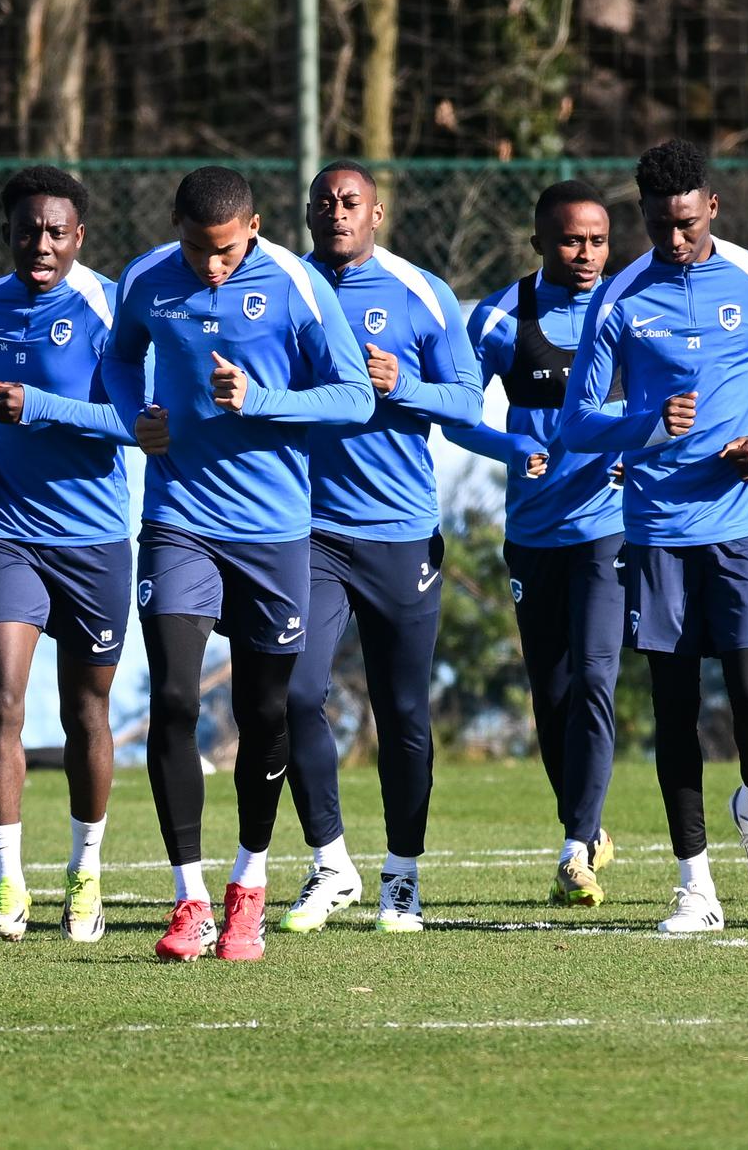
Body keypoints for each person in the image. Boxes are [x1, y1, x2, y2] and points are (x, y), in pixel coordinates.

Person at [102, 166, 372, 962]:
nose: (210, 266)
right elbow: (120, 362)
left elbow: (353, 396)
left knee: (265, 715)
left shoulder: (294, 283)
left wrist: (263, 400)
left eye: (224, 251)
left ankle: (247, 883)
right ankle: (188, 899)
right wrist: (133, 419)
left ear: (253, 227)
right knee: (177, 697)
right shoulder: (148, 278)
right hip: (179, 519)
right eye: (196, 248)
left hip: (275, 531)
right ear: (175, 227)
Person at [561, 139, 748, 934]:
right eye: (659, 224)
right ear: (641, 215)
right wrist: (645, 421)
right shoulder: (620, 298)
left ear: (712, 205)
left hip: (744, 531)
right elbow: (576, 422)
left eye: (687, 222)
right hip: (658, 532)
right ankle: (694, 886)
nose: (675, 239)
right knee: (673, 712)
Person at [275, 161, 482, 935]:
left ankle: (403, 874)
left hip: (399, 532)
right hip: (308, 529)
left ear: (378, 212)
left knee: (403, 713)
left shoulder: (418, 291)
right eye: (324, 202)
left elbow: (466, 398)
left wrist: (404, 384)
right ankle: (331, 861)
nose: (337, 212)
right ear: (305, 212)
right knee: (293, 694)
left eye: (350, 202)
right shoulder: (284, 288)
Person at [0, 166, 134, 943]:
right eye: (29, 230)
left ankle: (86, 871)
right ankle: (6, 883)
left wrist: (42, 408)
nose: (42, 244)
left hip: (94, 538)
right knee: (3, 703)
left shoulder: (109, 306)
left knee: (85, 710)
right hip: (11, 532)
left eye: (57, 231)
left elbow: (138, 420)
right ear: (10, 232)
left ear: (80, 236)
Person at [446, 180, 626, 907]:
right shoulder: (498, 316)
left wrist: (633, 448)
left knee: (594, 677)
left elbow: (673, 398)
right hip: (533, 531)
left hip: (607, 524)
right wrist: (510, 441)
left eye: (598, 240)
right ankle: (587, 824)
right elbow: (455, 413)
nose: (586, 254)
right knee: (552, 694)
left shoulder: (631, 308)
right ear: (540, 243)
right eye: (570, 240)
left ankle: (574, 849)